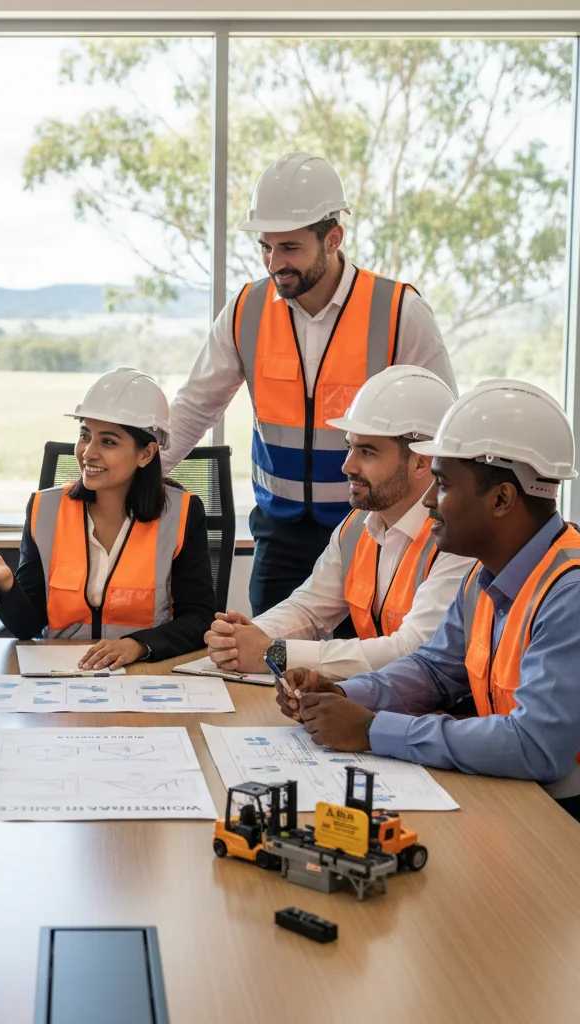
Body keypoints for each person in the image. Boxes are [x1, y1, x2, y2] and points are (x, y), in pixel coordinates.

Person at [162, 152, 456, 616]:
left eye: (290, 248)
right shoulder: (246, 310)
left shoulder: (399, 311)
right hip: (280, 534)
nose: (274, 263)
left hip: (373, 527)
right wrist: (138, 473)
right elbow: (196, 406)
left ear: (333, 238)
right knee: (267, 651)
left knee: (361, 657)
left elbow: (442, 428)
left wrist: (440, 520)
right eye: (265, 247)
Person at [274, 380, 580, 821]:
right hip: (520, 798)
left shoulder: (569, 594)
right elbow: (434, 670)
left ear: (502, 498)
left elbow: (536, 746)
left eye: (443, 484)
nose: (430, 500)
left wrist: (373, 729)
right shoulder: (484, 576)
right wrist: (342, 692)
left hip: (562, 819)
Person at [205, 366, 474, 680]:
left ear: (421, 463)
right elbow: (309, 608)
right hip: (383, 696)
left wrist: (273, 652)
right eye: (350, 447)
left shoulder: (459, 540)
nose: (347, 466)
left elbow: (411, 650)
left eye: (367, 452)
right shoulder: (358, 527)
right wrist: (243, 638)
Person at [0, 367, 216, 670]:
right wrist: (6, 583)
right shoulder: (45, 510)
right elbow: (28, 626)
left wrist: (138, 645)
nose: (88, 453)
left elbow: (199, 618)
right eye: (85, 436)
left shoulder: (181, 514)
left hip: (143, 671)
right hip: (63, 672)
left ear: (146, 454)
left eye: (108, 441)